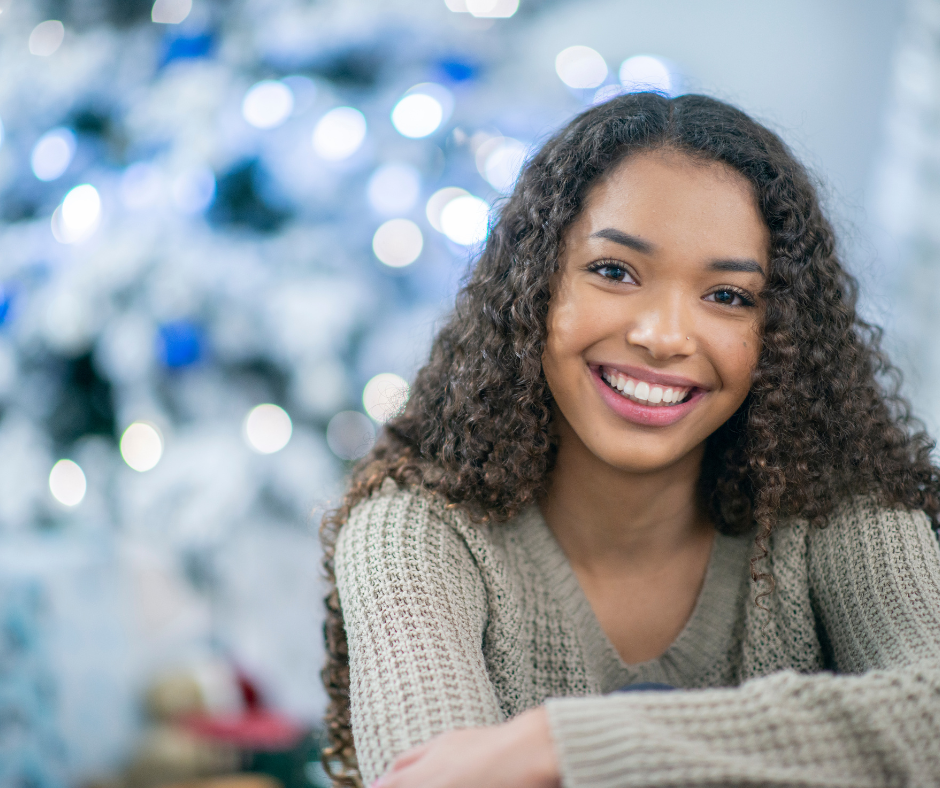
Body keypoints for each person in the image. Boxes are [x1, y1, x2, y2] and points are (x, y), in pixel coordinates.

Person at [320, 92, 940, 788]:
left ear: (782, 334)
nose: (664, 336)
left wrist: (561, 747)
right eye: (614, 272)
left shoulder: (839, 510)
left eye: (729, 296)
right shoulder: (413, 535)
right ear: (534, 285)